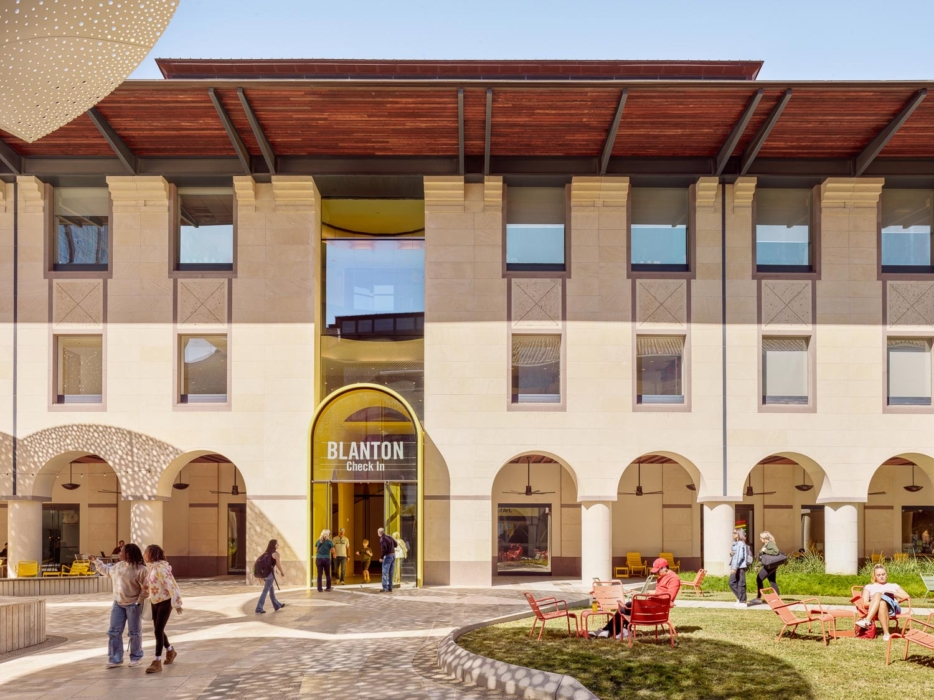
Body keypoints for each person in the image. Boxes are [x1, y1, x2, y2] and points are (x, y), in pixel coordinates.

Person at [90, 544, 148, 668]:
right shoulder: (118, 566)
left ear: (128, 554)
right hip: (118, 604)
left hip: (133, 604)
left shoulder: (141, 569)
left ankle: (136, 657)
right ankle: (115, 659)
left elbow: (146, 587)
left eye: (121, 551)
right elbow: (106, 570)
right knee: (113, 631)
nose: (119, 553)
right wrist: (96, 561)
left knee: (134, 632)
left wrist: (139, 601)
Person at [593, 558, 681, 639]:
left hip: (656, 610)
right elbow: (661, 593)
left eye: (658, 571)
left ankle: (610, 630)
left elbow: (669, 596)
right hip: (653, 606)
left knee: (625, 607)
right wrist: (650, 594)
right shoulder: (663, 577)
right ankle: (620, 630)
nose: (657, 573)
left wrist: (653, 593)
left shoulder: (674, 579)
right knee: (626, 606)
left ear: (664, 568)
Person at [142, 545, 183, 674]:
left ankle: (157, 661)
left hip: (165, 602)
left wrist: (177, 603)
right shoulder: (153, 568)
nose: (144, 555)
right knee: (158, 630)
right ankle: (170, 651)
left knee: (158, 630)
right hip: (155, 601)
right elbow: (153, 584)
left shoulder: (161, 569)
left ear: (152, 554)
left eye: (146, 552)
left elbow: (172, 586)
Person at [856, 564, 910, 642]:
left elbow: (907, 596)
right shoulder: (869, 587)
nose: (881, 576)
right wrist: (876, 602)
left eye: (883, 574)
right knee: (881, 601)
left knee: (878, 594)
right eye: (878, 575)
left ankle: (867, 620)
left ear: (886, 575)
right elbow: (864, 603)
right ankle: (886, 634)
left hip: (893, 608)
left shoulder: (893, 586)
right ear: (875, 576)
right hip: (876, 610)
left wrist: (892, 593)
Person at [749, 531, 781, 605]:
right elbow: (765, 558)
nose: (760, 539)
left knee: (759, 579)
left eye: (760, 537)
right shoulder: (766, 544)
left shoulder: (770, 544)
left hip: (769, 566)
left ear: (764, 538)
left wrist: (765, 550)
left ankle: (759, 598)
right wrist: (758, 565)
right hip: (770, 565)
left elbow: (776, 552)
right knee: (772, 581)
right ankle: (776, 599)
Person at [255, 539, 285, 613]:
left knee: (271, 591)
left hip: (265, 575)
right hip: (269, 575)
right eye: (277, 544)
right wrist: (282, 572)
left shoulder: (266, 553)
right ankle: (259, 608)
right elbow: (278, 564)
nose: (278, 545)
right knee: (265, 591)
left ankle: (277, 605)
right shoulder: (276, 554)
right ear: (274, 545)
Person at [729, 528, 750, 608]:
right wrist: (731, 553)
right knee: (735, 582)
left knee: (740, 583)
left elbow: (740, 557)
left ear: (738, 534)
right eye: (733, 532)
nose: (733, 534)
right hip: (737, 566)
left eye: (735, 533)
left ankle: (743, 601)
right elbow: (735, 555)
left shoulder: (741, 543)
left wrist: (734, 568)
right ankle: (740, 598)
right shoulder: (736, 543)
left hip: (740, 566)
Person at [378, 527, 396, 593]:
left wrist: (381, 557)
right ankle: (390, 587)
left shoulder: (382, 539)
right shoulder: (389, 537)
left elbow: (384, 549)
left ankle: (385, 588)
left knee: (385, 572)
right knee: (391, 572)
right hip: (393, 555)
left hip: (388, 556)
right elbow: (396, 544)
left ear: (379, 533)